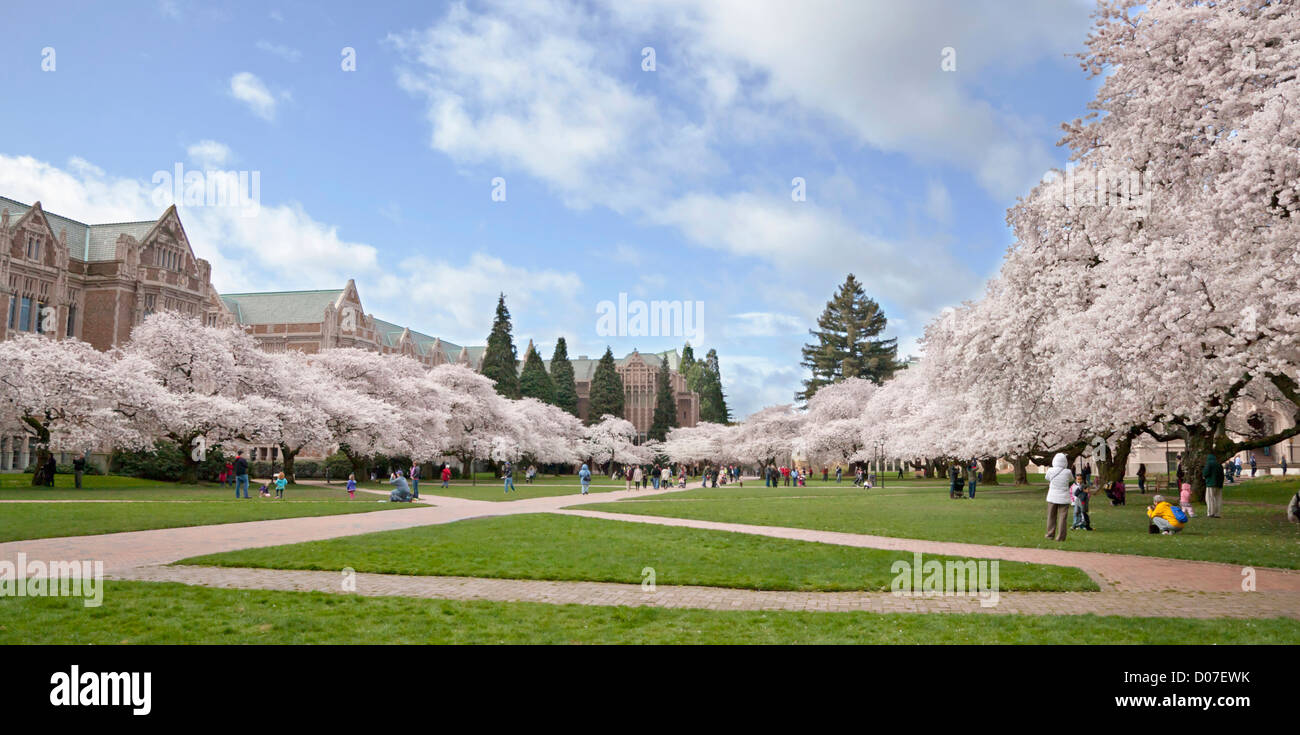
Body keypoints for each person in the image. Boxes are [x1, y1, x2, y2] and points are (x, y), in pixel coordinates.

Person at [1044, 453, 1073, 542]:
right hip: (1064, 497)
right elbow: (1071, 479)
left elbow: (1047, 478)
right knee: (1062, 517)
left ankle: (1050, 534)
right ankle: (1061, 537)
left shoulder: (1050, 471)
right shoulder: (1068, 472)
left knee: (1051, 516)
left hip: (1052, 496)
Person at [1203, 452, 1225, 518]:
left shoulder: (1209, 464)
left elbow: (1205, 473)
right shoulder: (1219, 465)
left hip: (1210, 483)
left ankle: (1210, 513)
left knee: (1210, 498)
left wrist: (1204, 476)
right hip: (1219, 484)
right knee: (1218, 499)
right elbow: (1222, 475)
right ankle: (1217, 513)